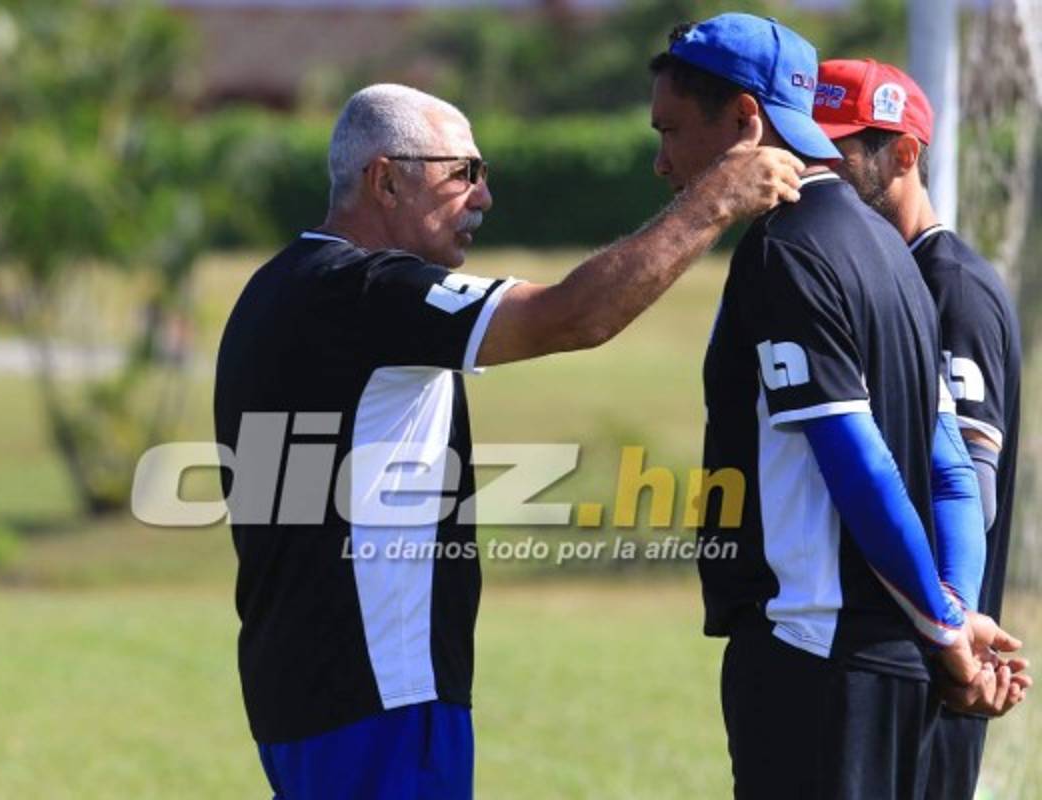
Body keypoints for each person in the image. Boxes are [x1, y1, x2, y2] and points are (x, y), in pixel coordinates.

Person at [213, 82, 803, 800]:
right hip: (378, 694)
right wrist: (718, 199)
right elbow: (571, 318)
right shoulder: (368, 293)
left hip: (305, 690)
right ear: (386, 179)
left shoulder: (281, 284)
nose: (484, 198)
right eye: (462, 173)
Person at [647, 14, 1029, 799]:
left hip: (813, 659)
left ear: (747, 121)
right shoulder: (889, 246)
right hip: (886, 663)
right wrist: (951, 610)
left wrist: (946, 628)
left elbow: (861, 463)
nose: (662, 162)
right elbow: (948, 467)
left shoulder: (786, 250)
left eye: (673, 130)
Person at [813, 58, 1030, 799]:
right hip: (909, 648)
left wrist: (951, 636)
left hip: (937, 666)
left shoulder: (951, 287)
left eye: (838, 150)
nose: (818, 166)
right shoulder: (877, 270)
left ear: (903, 155)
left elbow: (970, 483)